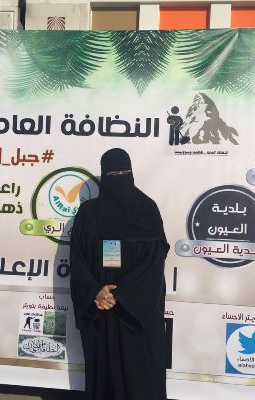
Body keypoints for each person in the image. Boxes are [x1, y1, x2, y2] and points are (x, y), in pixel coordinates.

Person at [70, 148, 170, 400]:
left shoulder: (146, 210)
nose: (119, 180)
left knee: (140, 382)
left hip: (136, 318)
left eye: (123, 173)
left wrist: (119, 295)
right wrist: (95, 291)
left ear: (132, 173)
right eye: (113, 175)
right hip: (100, 314)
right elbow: (77, 260)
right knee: (103, 380)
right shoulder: (88, 214)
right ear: (104, 176)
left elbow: (153, 264)